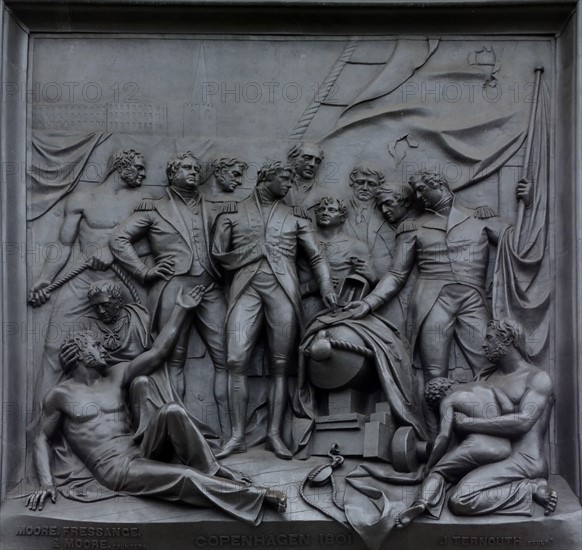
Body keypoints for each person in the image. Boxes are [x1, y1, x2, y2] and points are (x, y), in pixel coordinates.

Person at [26, 287, 287, 524]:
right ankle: (257, 496)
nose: (104, 348)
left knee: (172, 411)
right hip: (116, 469)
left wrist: (181, 309)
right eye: (96, 346)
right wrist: (46, 483)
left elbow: (158, 352)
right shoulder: (61, 395)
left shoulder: (116, 375)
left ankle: (213, 470)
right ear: (81, 354)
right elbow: (40, 437)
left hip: (140, 449)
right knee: (183, 476)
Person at [346, 170, 533, 382]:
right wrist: (368, 303)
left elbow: (517, 246)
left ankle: (480, 411)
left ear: (439, 185)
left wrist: (527, 206)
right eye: (415, 191)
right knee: (434, 374)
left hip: (473, 300)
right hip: (432, 302)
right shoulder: (412, 228)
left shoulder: (480, 218)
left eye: (421, 189)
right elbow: (397, 274)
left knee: (489, 364)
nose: (417, 196)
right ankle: (439, 414)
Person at [212, 161, 337, 459]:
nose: (289, 184)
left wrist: (327, 286)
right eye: (285, 178)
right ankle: (237, 436)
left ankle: (274, 435)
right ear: (265, 178)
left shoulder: (295, 217)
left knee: (280, 366)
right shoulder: (232, 213)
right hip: (246, 290)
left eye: (291, 179)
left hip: (283, 292)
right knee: (235, 358)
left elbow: (317, 257)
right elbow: (218, 256)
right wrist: (254, 251)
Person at [109, 152, 230, 435]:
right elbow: (118, 238)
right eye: (186, 167)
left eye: (197, 168)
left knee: (226, 357)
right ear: (172, 173)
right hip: (173, 288)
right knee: (172, 358)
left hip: (210, 287)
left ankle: (230, 435)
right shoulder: (153, 208)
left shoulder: (215, 208)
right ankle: (180, 431)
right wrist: (143, 271)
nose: (193, 172)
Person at [397, 318, 557, 525]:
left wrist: (467, 423)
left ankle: (531, 489)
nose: (483, 345)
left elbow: (523, 422)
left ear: (506, 340)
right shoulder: (487, 379)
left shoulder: (537, 378)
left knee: (461, 499)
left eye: (489, 338)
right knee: (454, 487)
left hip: (524, 460)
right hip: (491, 455)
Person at [28, 149, 147, 408]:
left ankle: (128, 424)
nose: (144, 173)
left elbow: (153, 236)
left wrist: (114, 250)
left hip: (125, 281)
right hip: (83, 279)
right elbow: (63, 244)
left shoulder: (142, 200)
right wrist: (45, 279)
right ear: (121, 166)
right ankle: (40, 420)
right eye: (138, 167)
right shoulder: (82, 199)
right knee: (52, 346)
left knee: (141, 347)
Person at [300, 196, 376, 320]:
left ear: (342, 216)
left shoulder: (357, 247)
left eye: (331, 210)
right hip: (309, 307)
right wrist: (309, 287)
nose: (325, 212)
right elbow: (285, 287)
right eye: (321, 209)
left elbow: (367, 288)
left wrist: (373, 278)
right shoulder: (304, 244)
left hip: (344, 311)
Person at [345, 166, 395, 278]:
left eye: (371, 184)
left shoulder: (388, 214)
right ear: (352, 183)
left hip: (378, 280)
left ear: (379, 187)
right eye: (360, 182)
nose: (365, 188)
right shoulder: (337, 209)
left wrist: (374, 277)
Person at [283, 142, 325, 211]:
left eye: (317, 161)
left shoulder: (323, 195)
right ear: (291, 159)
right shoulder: (276, 186)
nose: (312, 164)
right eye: (307, 158)